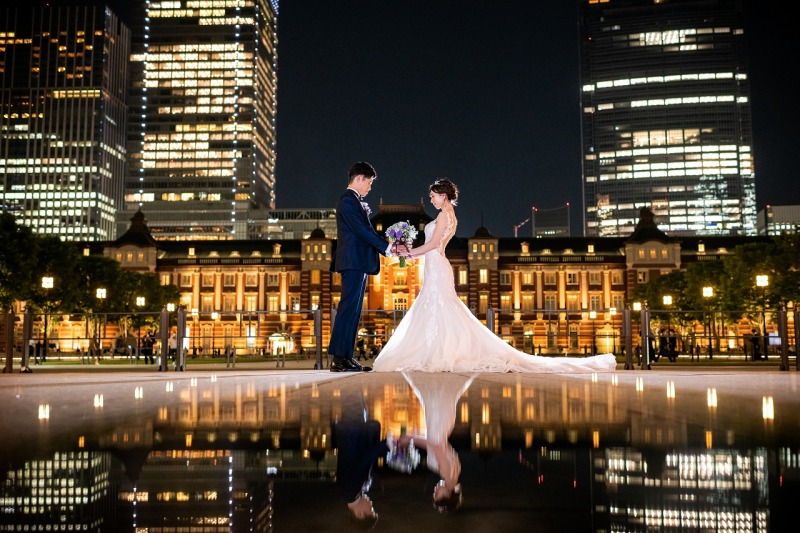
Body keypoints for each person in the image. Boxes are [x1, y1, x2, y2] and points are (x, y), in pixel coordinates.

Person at [373, 179, 616, 373]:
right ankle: (438, 353)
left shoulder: (445, 215)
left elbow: (435, 244)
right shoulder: (445, 216)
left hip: (436, 264)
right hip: (436, 265)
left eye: (433, 196)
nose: (431, 199)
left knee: (439, 308)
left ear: (443, 195)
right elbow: (434, 246)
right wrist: (408, 252)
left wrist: (405, 253)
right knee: (438, 309)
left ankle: (439, 355)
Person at [328, 162, 405, 373]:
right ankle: (338, 358)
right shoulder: (347, 200)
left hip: (358, 261)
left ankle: (346, 356)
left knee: (354, 311)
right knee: (347, 309)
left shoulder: (355, 201)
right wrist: (387, 248)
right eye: (369, 182)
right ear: (359, 178)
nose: (370, 187)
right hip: (352, 261)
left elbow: (365, 230)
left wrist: (389, 245)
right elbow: (362, 230)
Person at [401, 372, 474, 513]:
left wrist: (415, 434)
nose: (434, 490)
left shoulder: (455, 473)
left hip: (442, 424)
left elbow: (441, 444)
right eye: (436, 494)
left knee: (437, 386)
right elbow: (436, 446)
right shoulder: (447, 474)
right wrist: (410, 439)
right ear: (446, 495)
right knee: (430, 384)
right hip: (438, 421)